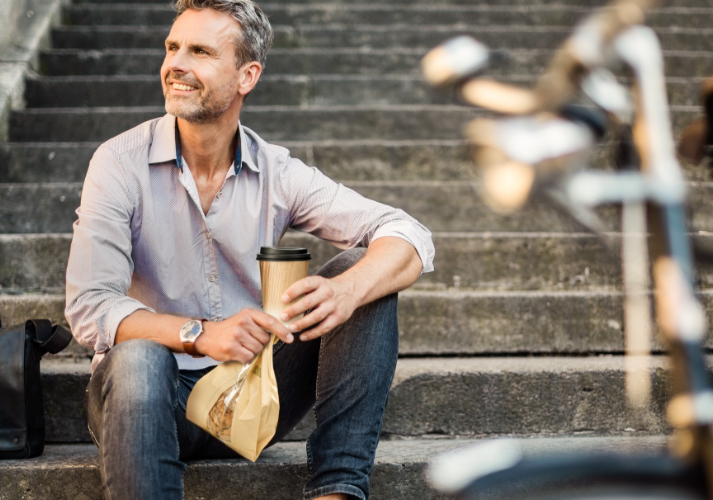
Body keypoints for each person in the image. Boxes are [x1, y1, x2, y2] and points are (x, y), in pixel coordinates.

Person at [63, 0, 435, 499]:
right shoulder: (118, 163)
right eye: (173, 47)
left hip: (250, 399)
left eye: (200, 51)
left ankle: (336, 492)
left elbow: (408, 233)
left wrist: (347, 291)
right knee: (138, 359)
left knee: (360, 272)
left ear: (247, 75)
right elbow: (91, 307)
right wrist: (202, 335)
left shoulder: (277, 172)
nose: (176, 63)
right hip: (147, 403)